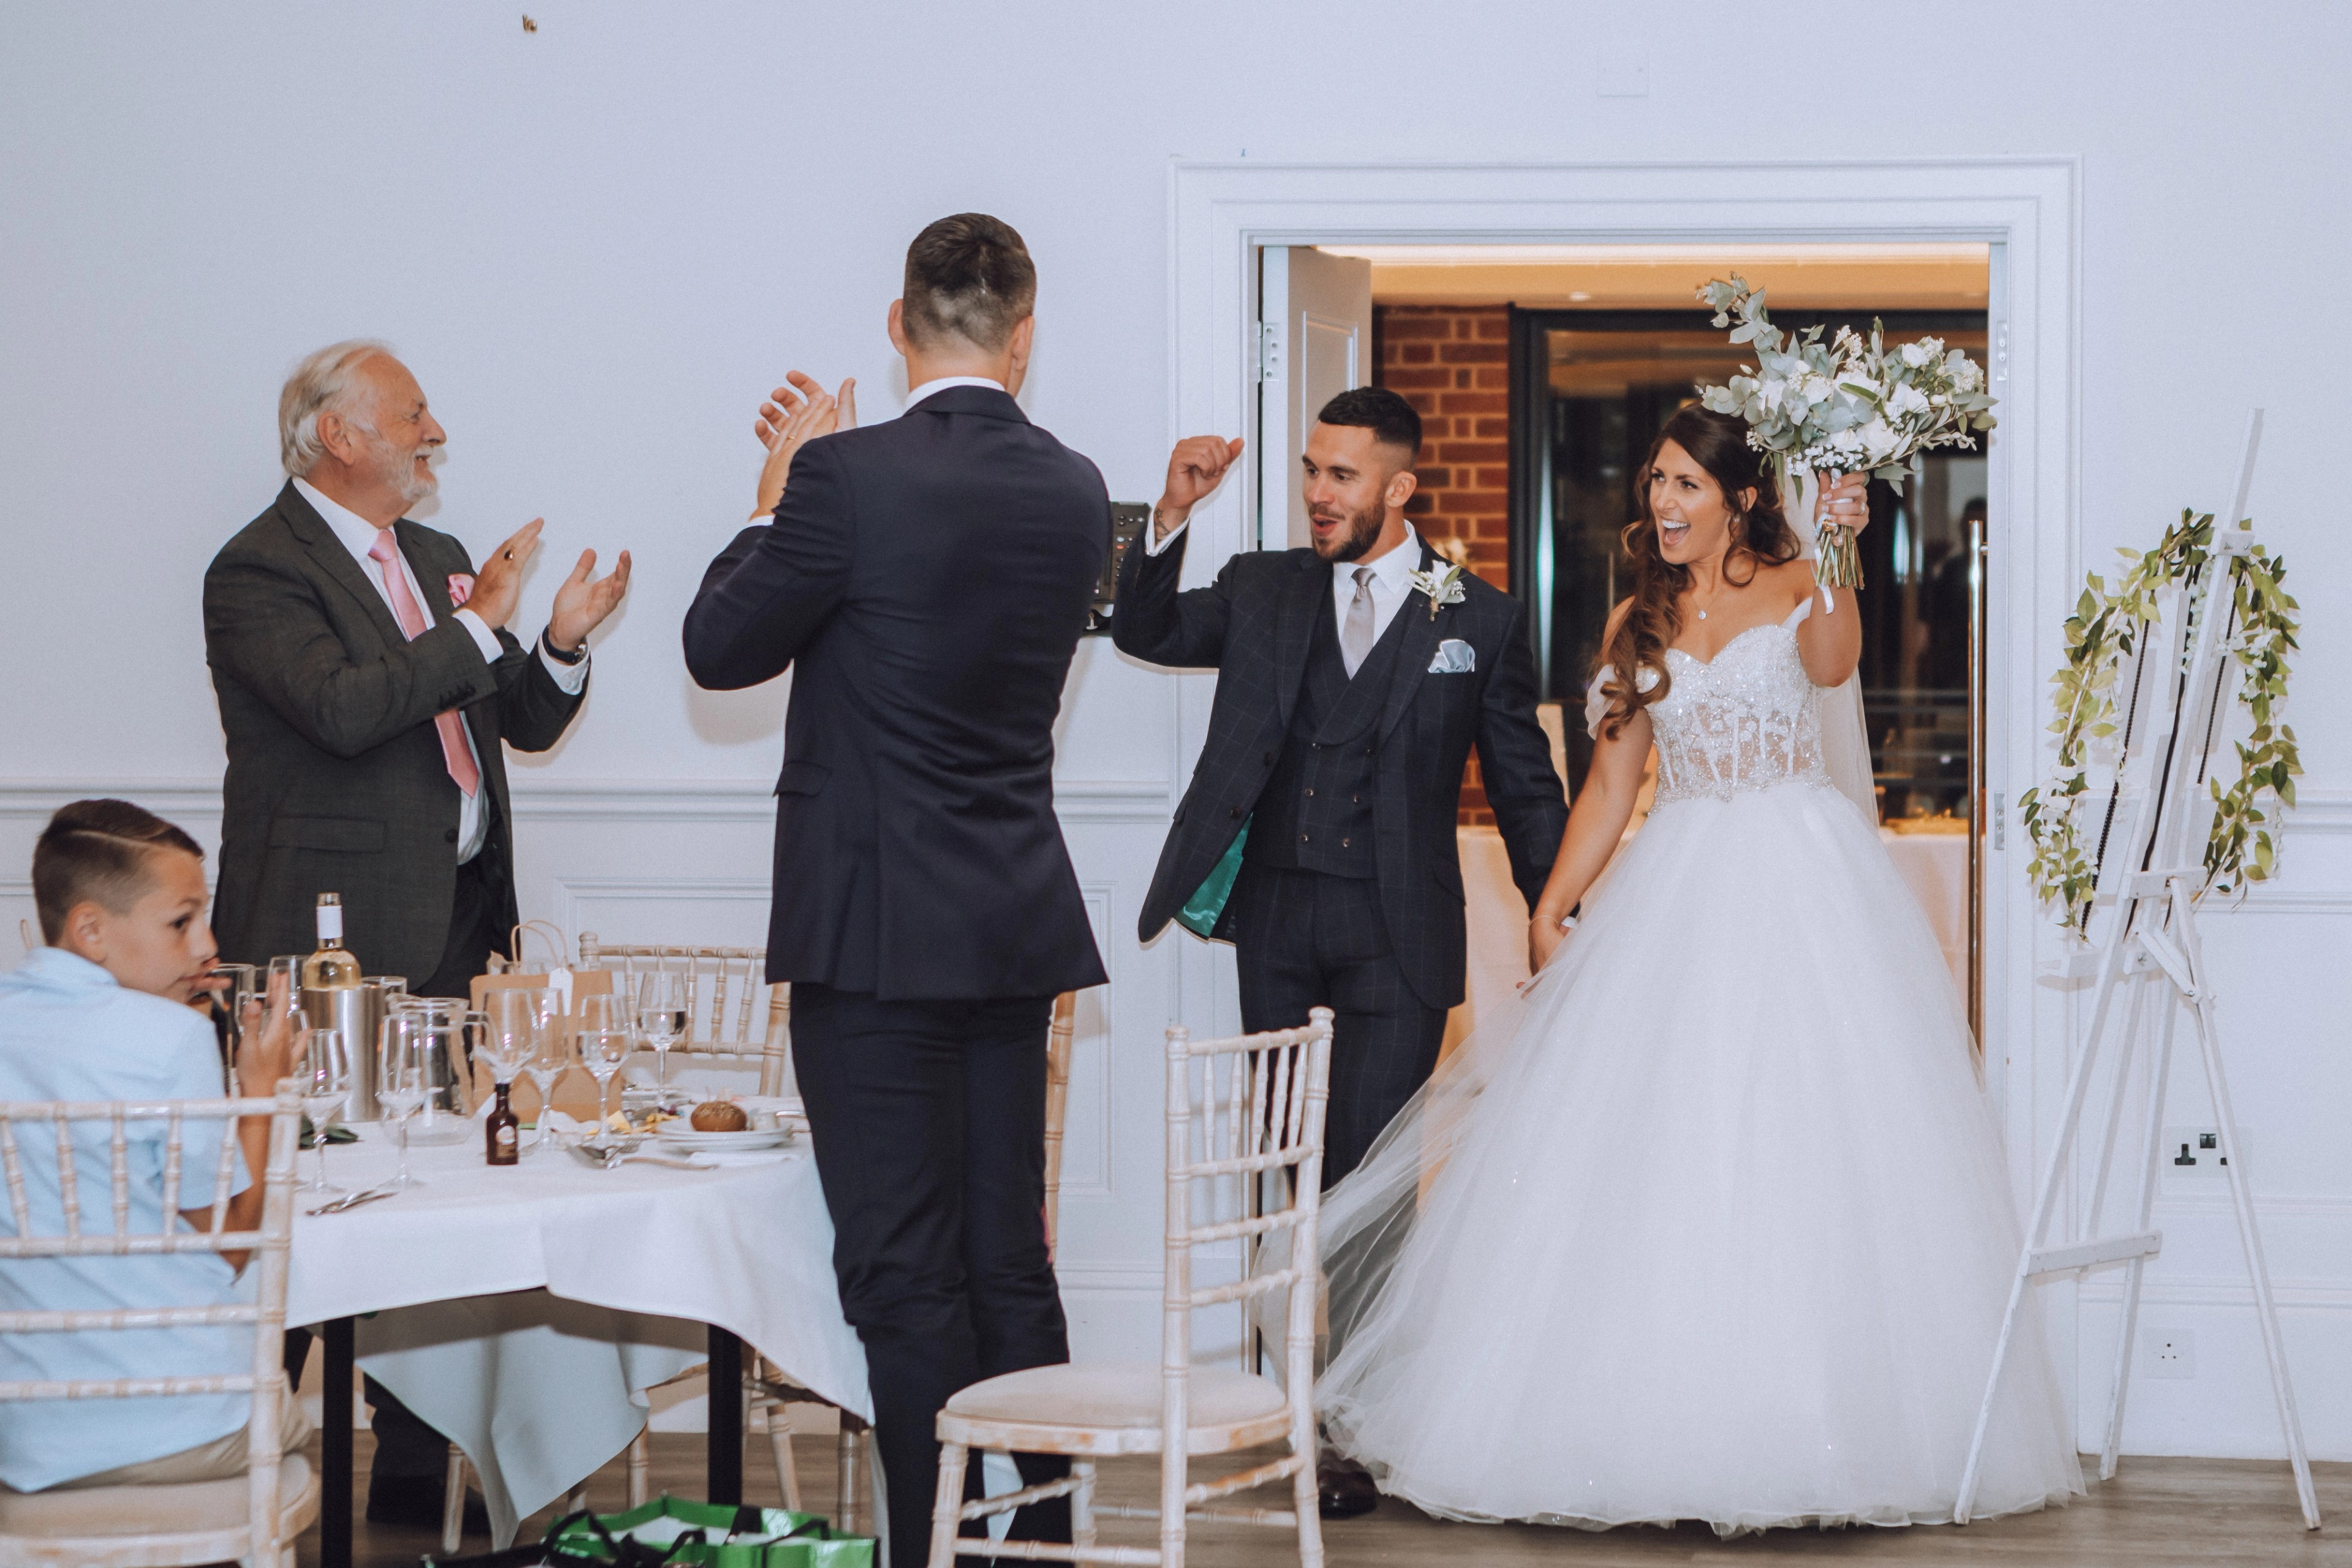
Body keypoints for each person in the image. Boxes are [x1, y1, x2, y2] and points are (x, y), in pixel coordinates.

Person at [1310, 406, 2083, 1532]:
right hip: (1681, 878)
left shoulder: (1793, 584)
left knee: (1801, 1144)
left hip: (1801, 883)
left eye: (1683, 484)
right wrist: (1556, 899)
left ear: (1737, 496)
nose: (1663, 505)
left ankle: (1816, 1424)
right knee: (1660, 1143)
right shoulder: (1640, 618)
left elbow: (1836, 661)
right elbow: (1614, 784)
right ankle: (1639, 1422)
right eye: (1654, 487)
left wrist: (1836, 545)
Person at [683, 213, 1107, 1566]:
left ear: (895, 320)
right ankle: (1030, 1543)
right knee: (1007, 1263)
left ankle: (930, 1554)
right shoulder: (1076, 487)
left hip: (873, 934)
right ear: (1025, 334)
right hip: (1013, 920)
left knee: (904, 1274)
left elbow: (719, 646)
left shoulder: (845, 477)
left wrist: (775, 485)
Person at [1112, 385, 1567, 1518]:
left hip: (1398, 938)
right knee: (1283, 1172)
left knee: (1367, 1183)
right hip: (1276, 926)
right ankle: (1289, 1415)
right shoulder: (1263, 586)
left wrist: (1563, 909)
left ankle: (1354, 1431)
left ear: (1401, 489)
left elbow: (1522, 785)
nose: (1318, 493)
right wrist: (1167, 517)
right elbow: (1146, 630)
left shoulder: (1476, 614)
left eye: (1343, 476)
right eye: (1312, 471)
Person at [200, 340, 631, 1525]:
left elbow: (517, 720)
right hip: (320, 942)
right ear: (338, 436)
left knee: (447, 1196)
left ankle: (408, 1471)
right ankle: (231, 1464)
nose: (435, 431)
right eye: (414, 413)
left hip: (463, 924)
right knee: (311, 1196)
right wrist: (478, 626)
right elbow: (347, 713)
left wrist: (556, 640)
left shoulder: (436, 559)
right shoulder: (256, 570)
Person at [0, 800, 308, 1495]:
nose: (207, 944)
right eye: (181, 920)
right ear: (90, 929)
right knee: (292, 1415)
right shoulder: (169, 1037)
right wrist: (259, 1095)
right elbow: (228, 1247)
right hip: (179, 1421)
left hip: (23, 1437)